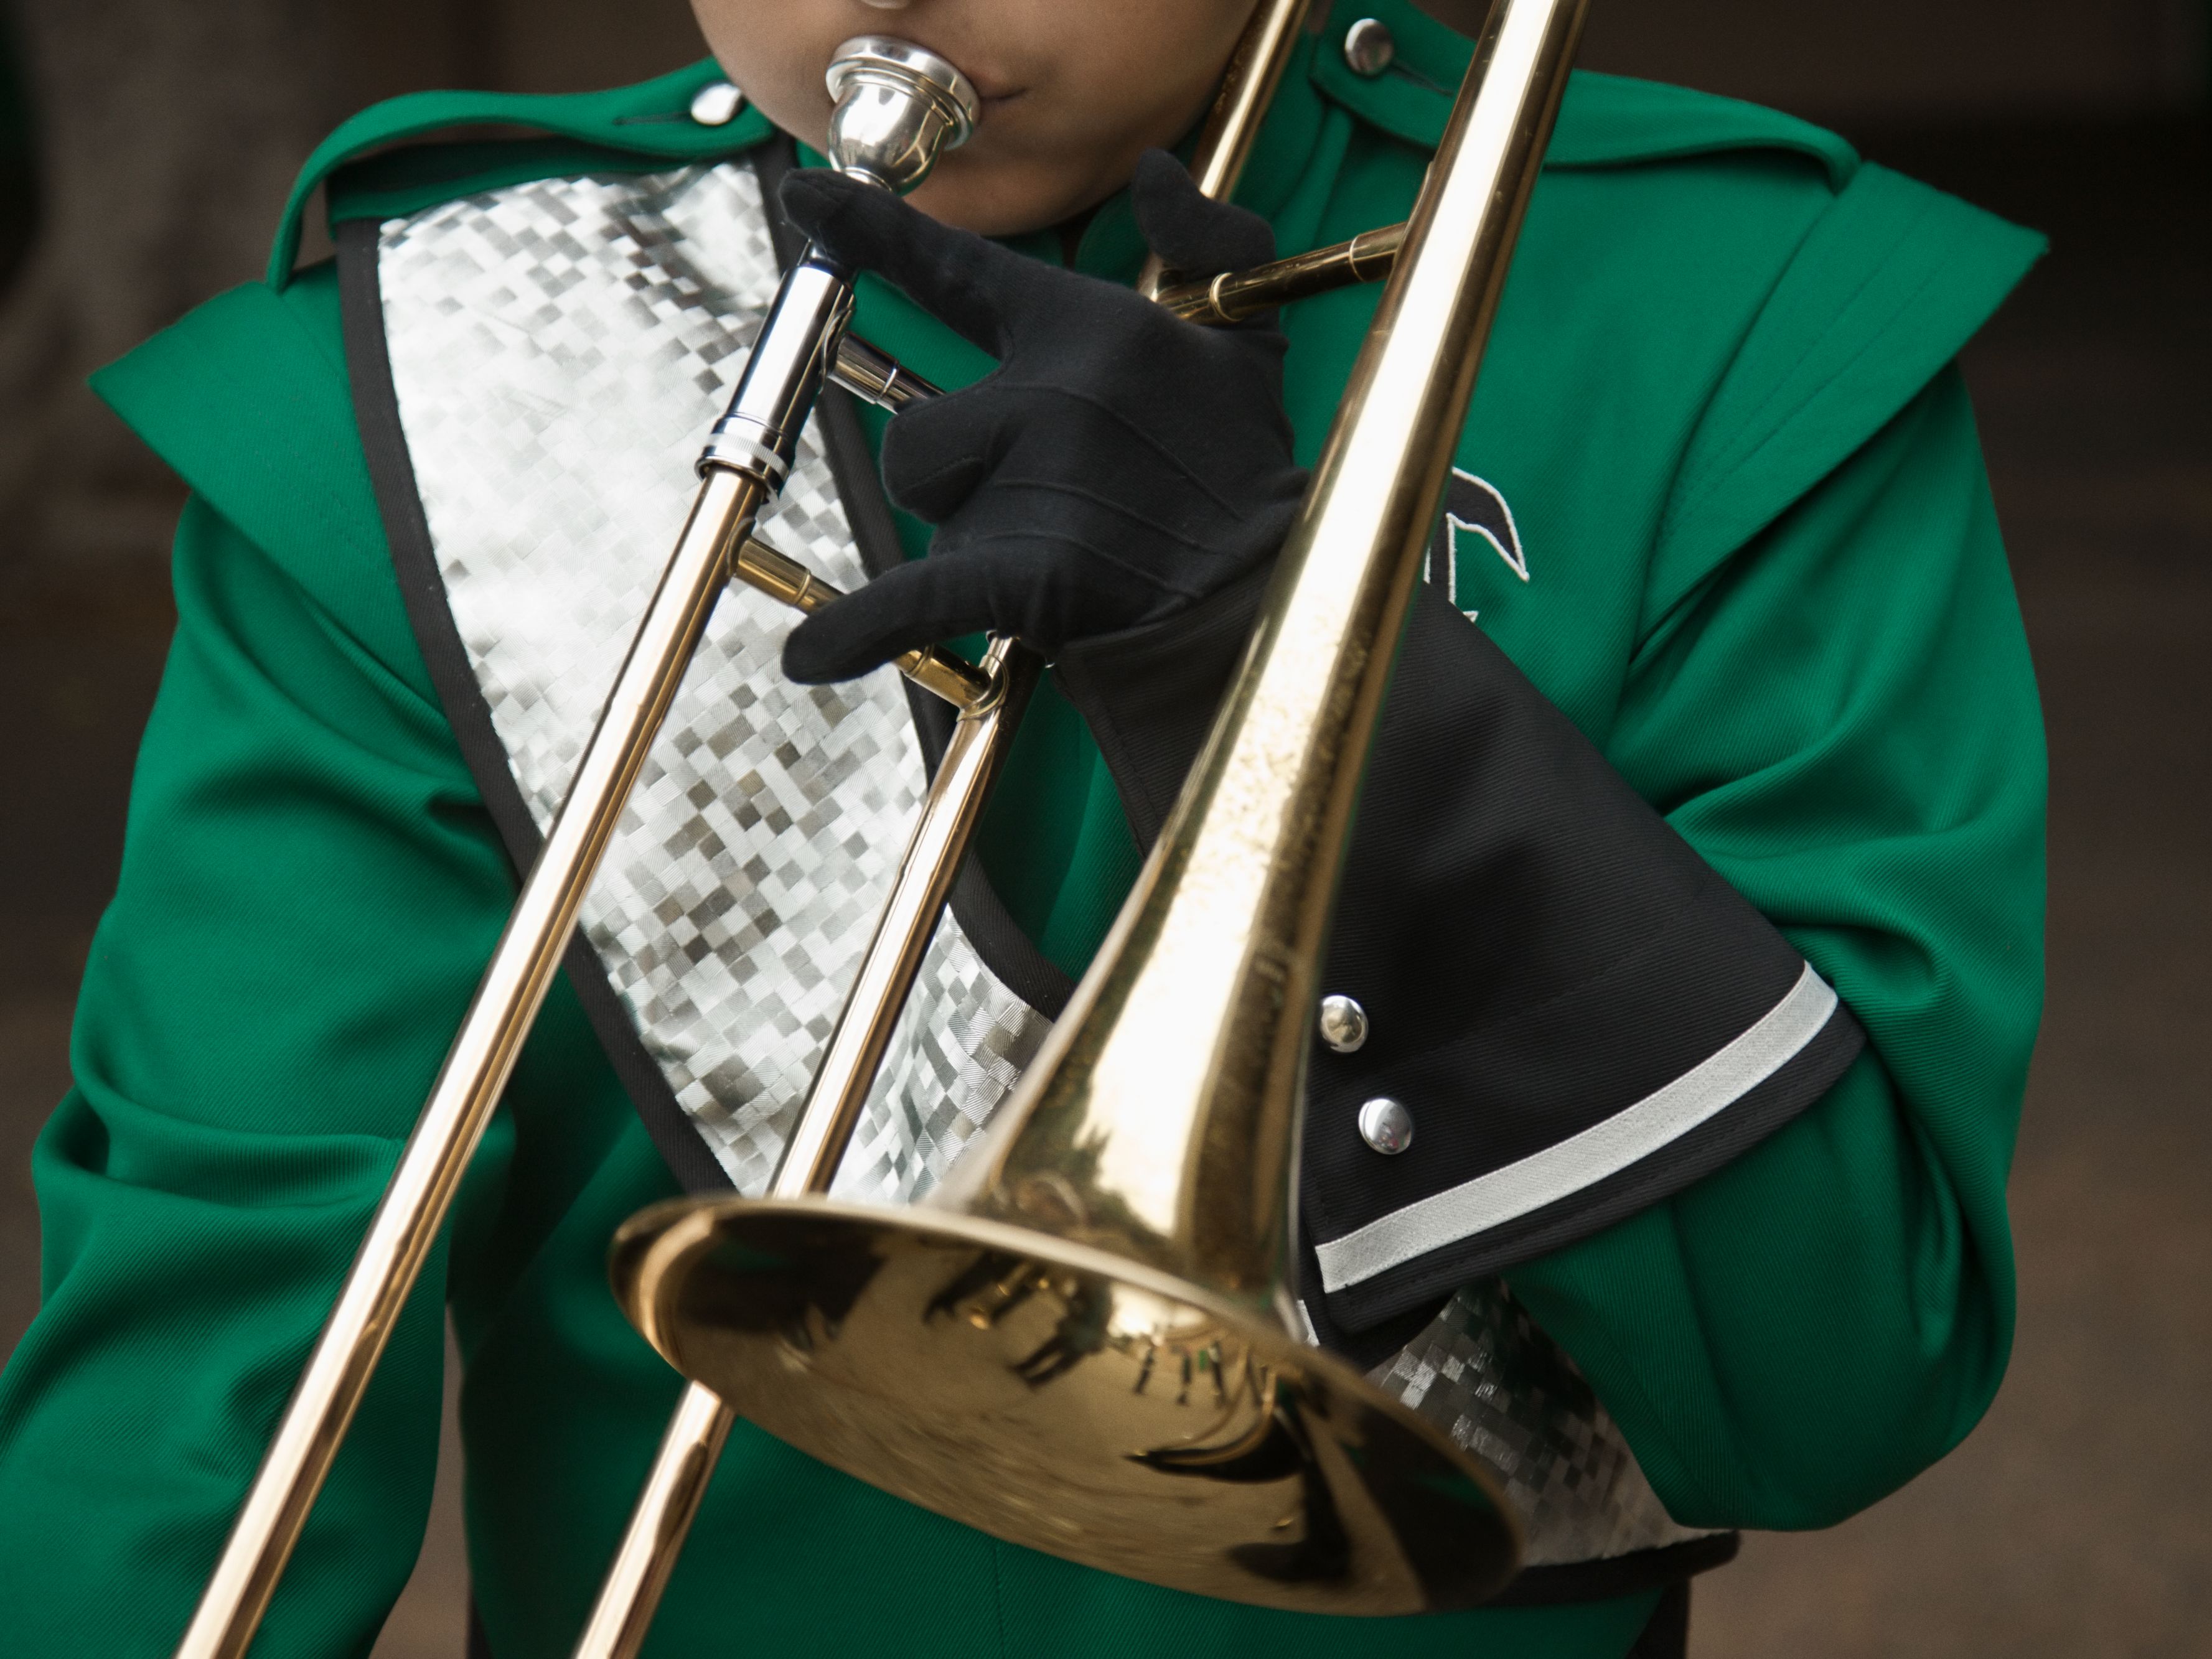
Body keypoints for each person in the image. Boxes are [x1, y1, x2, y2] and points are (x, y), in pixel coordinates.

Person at [0, 1, 2046, 1655]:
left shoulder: (1728, 312)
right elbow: (200, 1380)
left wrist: (1284, 663)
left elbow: (1833, 1379)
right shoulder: (453, 362)